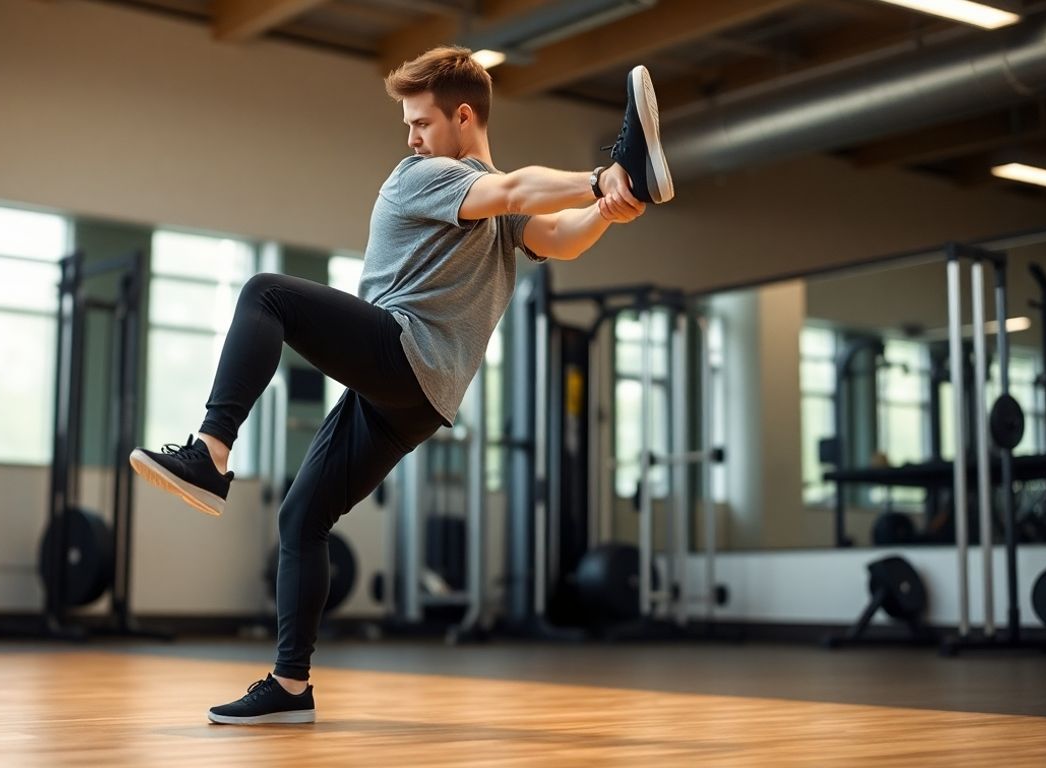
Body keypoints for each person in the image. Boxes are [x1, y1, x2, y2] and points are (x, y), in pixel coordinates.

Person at [130, 45, 673, 725]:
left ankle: (210, 451)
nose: (410, 139)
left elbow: (548, 226)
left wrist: (603, 198)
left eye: (420, 122)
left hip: (404, 359)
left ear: (463, 115)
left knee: (266, 294)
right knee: (302, 518)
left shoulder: (447, 178)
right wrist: (609, 191)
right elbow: (543, 220)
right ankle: (290, 686)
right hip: (415, 399)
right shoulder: (431, 181)